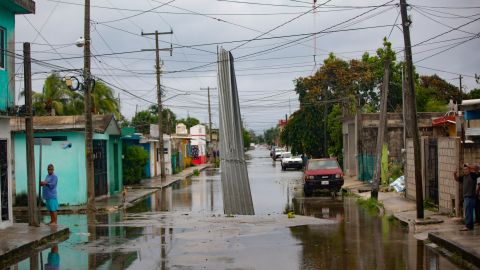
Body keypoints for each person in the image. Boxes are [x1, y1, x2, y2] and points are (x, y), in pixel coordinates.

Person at [454, 165, 478, 231]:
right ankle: (470, 226)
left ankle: (468, 226)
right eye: (464, 170)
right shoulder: (464, 177)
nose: (465, 171)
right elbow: (457, 179)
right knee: (469, 212)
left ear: (469, 169)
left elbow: (477, 169)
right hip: (466, 197)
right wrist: (454, 174)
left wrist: (470, 166)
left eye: (466, 169)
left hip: (470, 197)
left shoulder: (472, 175)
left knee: (468, 212)